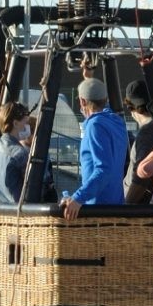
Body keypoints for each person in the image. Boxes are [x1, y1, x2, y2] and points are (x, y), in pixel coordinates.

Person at [60, 77, 126, 221]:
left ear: (82, 102)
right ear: (105, 99)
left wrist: (78, 198)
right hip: (116, 204)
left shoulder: (95, 126)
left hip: (97, 209)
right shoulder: (116, 122)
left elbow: (103, 169)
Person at [122, 79, 153, 205]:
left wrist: (125, 208)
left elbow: (140, 179)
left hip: (138, 208)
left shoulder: (147, 133)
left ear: (131, 107)